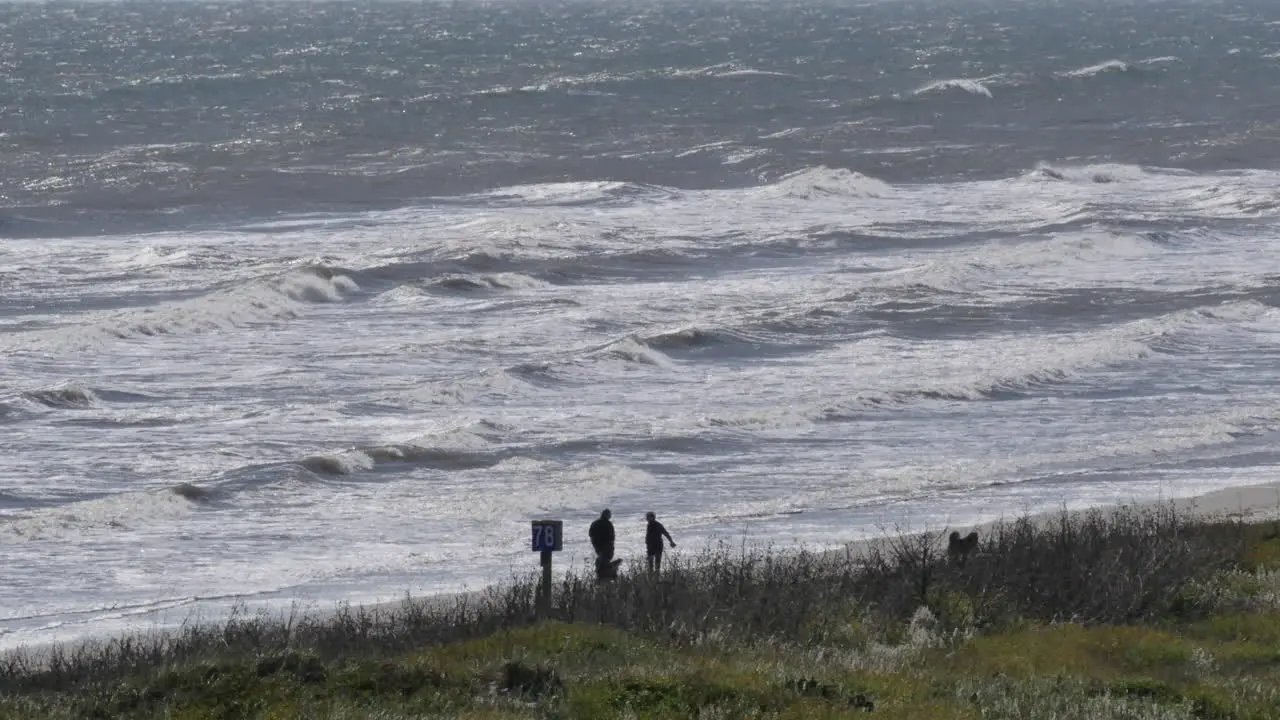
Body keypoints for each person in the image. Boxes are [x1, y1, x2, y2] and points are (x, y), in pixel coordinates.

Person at [589, 509, 619, 580]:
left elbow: (590, 534)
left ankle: (602, 576)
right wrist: (611, 546)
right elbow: (612, 537)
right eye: (609, 515)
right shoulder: (608, 524)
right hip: (607, 547)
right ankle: (607, 577)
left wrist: (595, 544)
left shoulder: (594, 523)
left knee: (601, 561)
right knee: (605, 562)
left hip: (598, 547)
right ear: (607, 515)